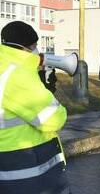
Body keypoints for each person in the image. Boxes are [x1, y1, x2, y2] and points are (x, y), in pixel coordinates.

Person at [0, 21, 69, 193]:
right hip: (24, 162)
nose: (36, 50)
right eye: (34, 45)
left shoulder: (5, 66)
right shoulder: (18, 74)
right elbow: (54, 119)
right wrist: (47, 92)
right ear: (22, 47)